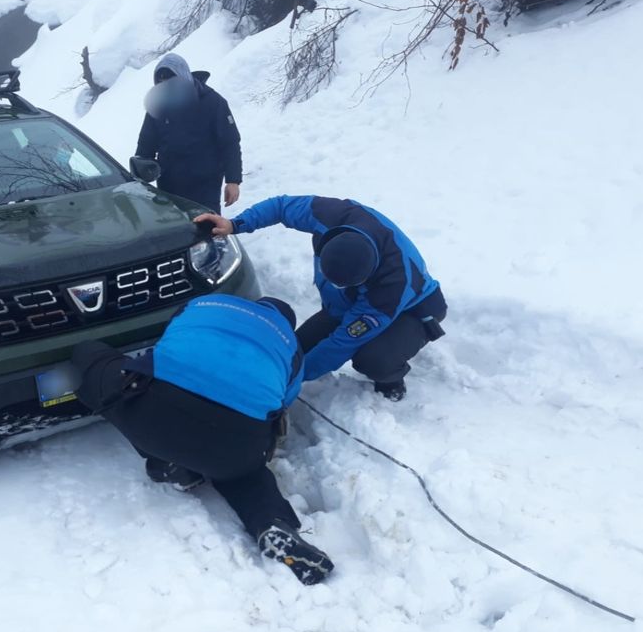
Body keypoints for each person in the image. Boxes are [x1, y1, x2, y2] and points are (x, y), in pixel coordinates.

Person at [71, 294, 334, 585]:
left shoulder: (205, 303)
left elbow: (165, 344)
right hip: (233, 440)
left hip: (153, 416)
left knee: (90, 356)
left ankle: (168, 460)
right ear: (284, 323)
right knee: (243, 474)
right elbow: (281, 406)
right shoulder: (290, 344)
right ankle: (273, 523)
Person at [195, 196, 447, 401]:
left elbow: (342, 342)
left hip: (415, 310)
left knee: (371, 359)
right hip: (347, 304)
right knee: (294, 352)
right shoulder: (332, 215)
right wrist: (236, 224)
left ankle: (391, 378)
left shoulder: (391, 286)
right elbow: (281, 207)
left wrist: (290, 382)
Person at [135, 53, 242, 213]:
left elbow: (230, 143)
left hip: (206, 184)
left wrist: (233, 181)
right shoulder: (157, 106)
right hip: (169, 184)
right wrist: (140, 176)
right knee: (176, 231)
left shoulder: (213, 102)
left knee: (208, 229)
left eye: (171, 80)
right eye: (161, 81)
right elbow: (146, 144)